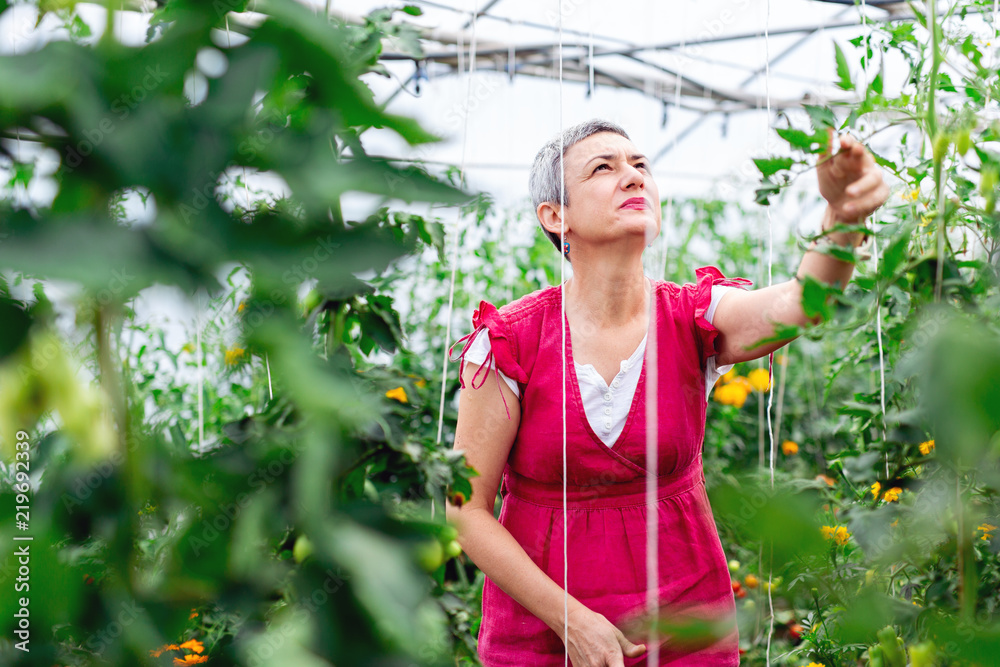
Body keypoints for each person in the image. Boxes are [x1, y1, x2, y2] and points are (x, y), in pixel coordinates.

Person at [445, 119, 888, 666]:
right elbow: (466, 508)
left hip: (684, 618)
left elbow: (802, 305)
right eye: (603, 168)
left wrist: (841, 220)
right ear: (555, 217)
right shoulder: (511, 341)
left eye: (640, 166)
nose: (632, 177)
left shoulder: (694, 317)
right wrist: (572, 621)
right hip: (542, 631)